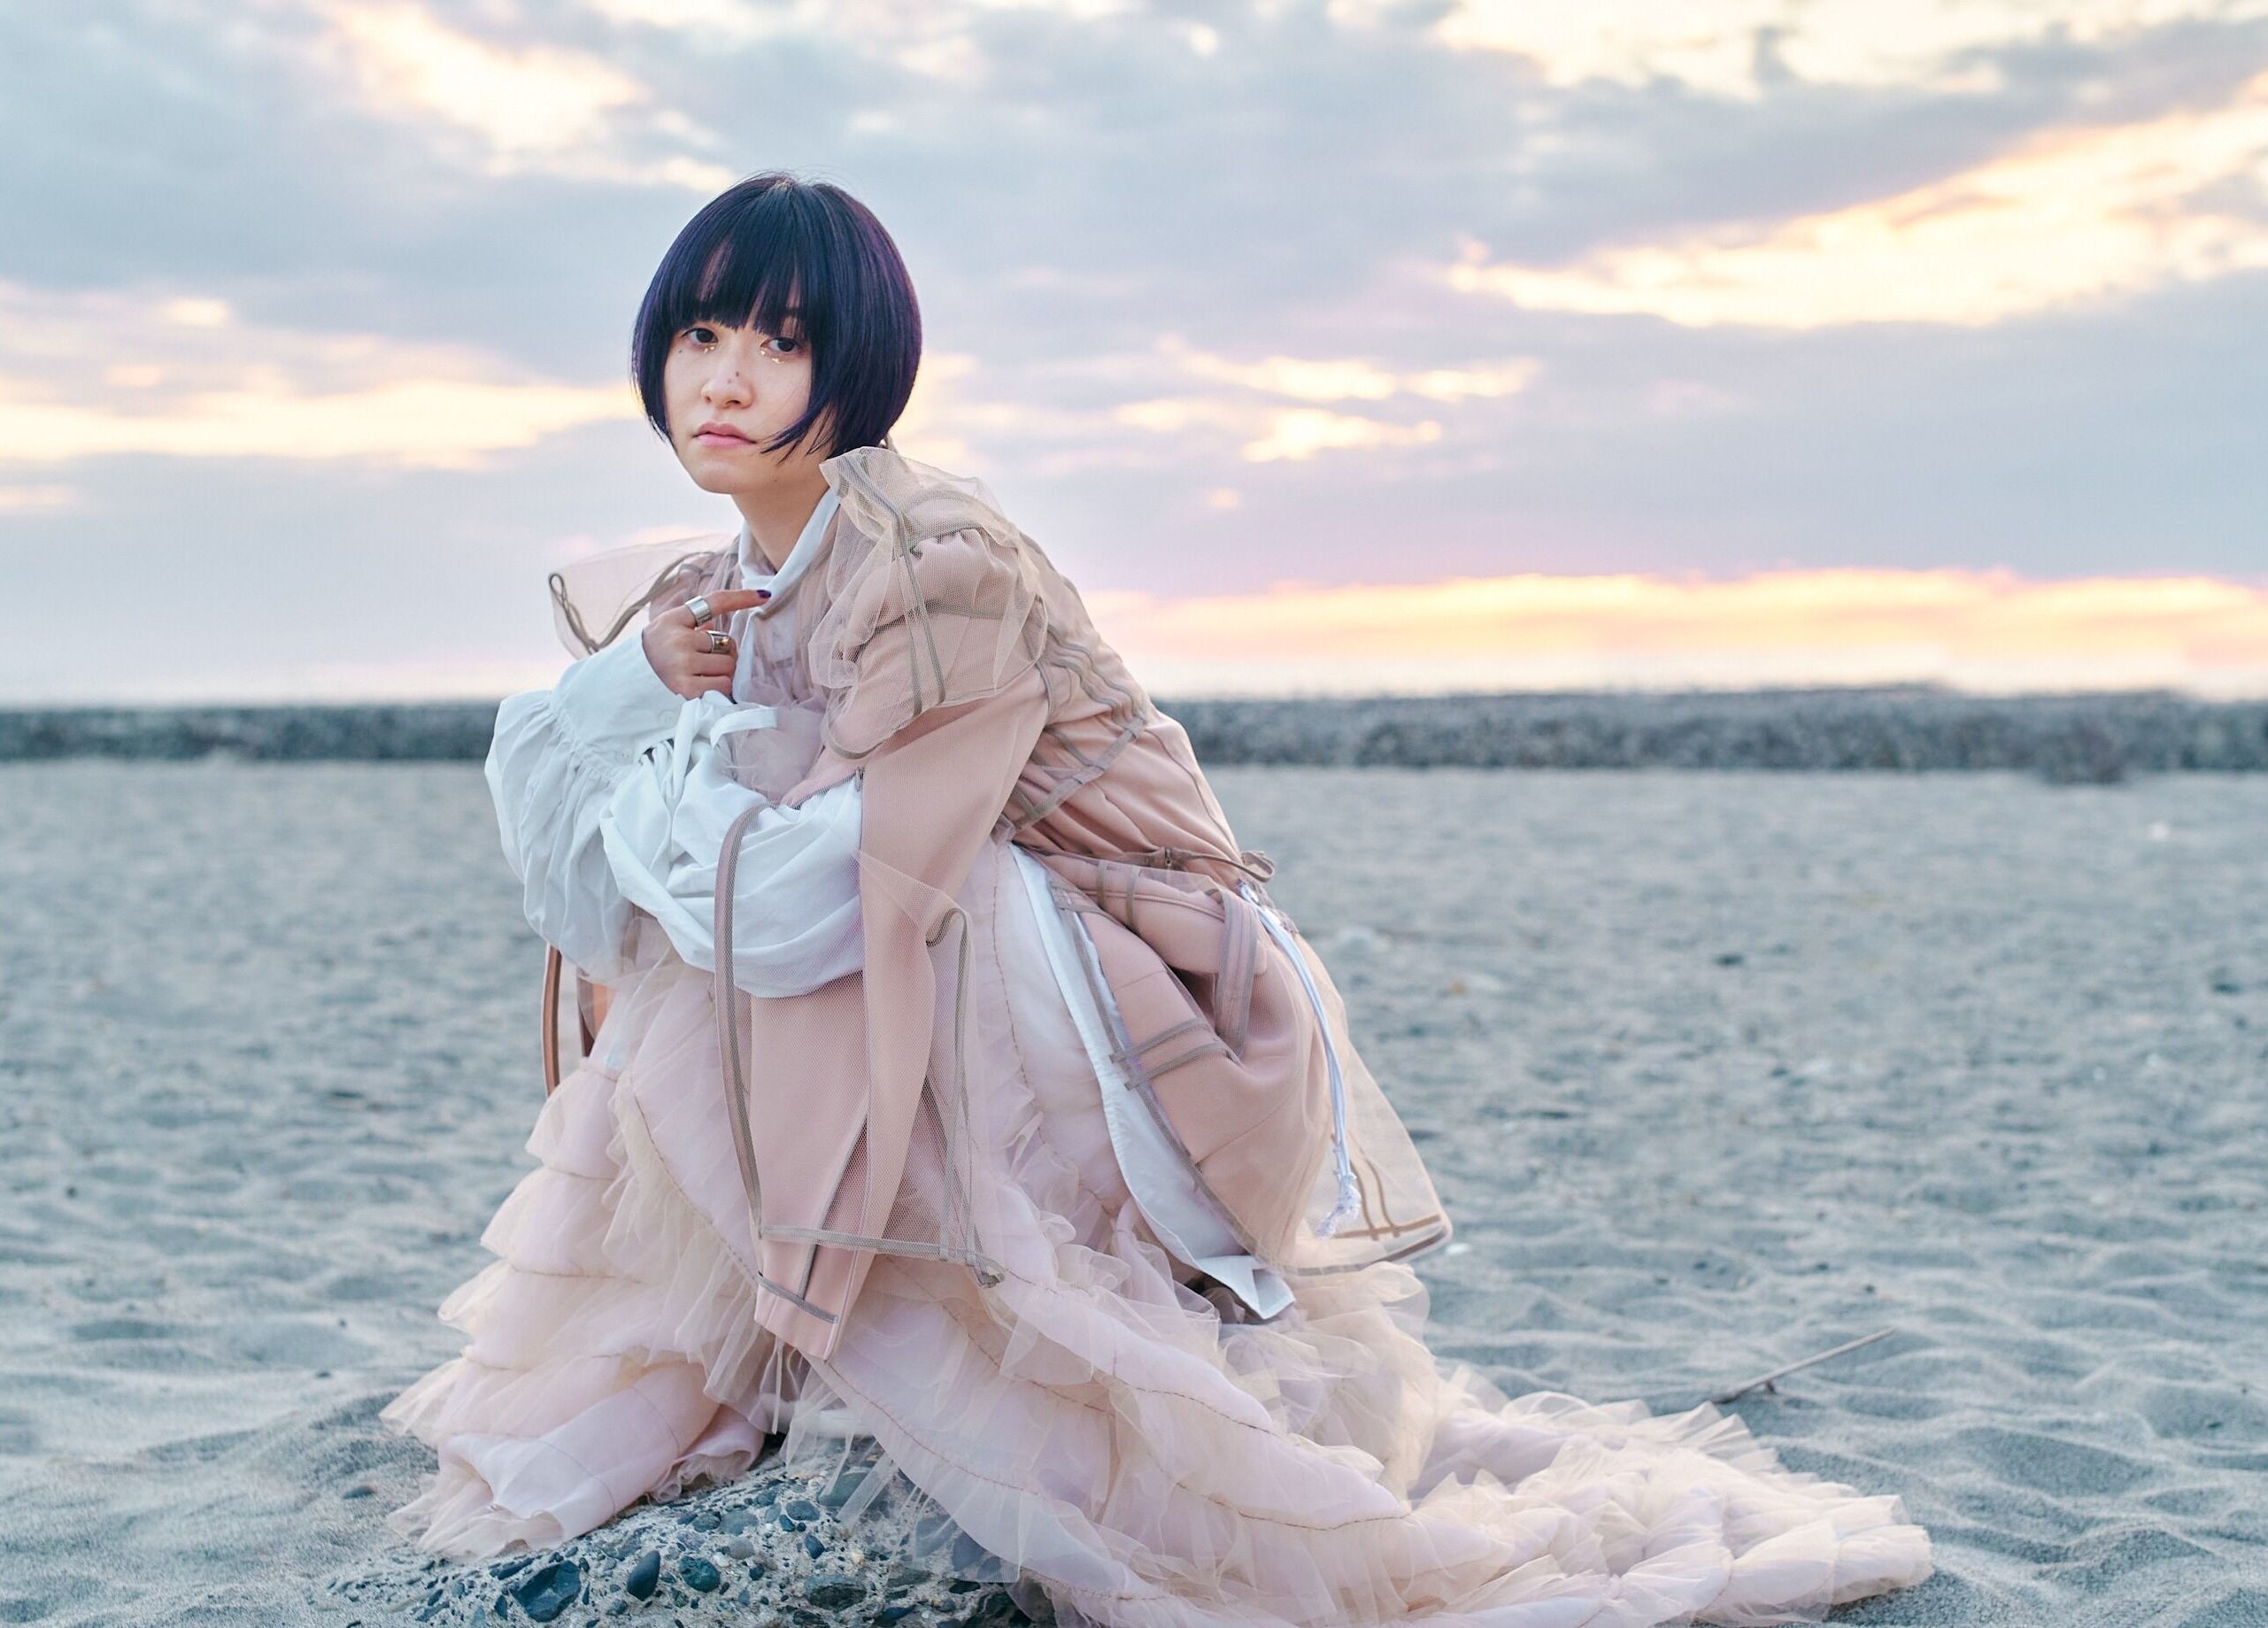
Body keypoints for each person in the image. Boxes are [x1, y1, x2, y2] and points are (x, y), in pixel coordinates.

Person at [382, 172, 1935, 1627]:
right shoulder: (702, 591)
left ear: (858, 368)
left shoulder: (935, 559)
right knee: (697, 938)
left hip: (1122, 964)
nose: (725, 380)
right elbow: (572, 888)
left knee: (805, 914)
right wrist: (635, 693)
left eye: (780, 344)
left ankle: (891, 1357)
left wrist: (665, 780)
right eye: (701, 335)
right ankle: (801, 1372)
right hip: (923, 941)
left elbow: (820, 898)